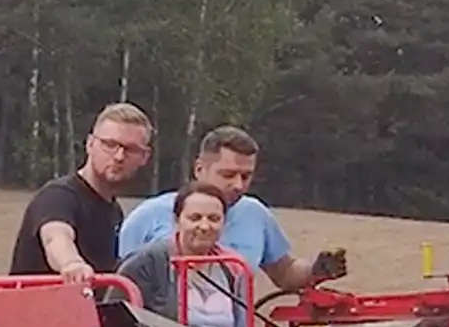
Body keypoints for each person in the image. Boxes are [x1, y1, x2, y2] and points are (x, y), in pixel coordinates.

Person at [115, 124, 348, 294]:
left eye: (246, 176)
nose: (238, 185)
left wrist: (316, 271)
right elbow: (122, 288)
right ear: (199, 169)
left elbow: (284, 272)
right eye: (228, 175)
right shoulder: (147, 218)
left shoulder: (255, 214)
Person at [8, 102, 154, 281]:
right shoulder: (58, 196)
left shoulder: (114, 211)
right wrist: (71, 263)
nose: (119, 156)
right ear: (90, 144)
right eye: (110, 144)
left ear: (144, 157)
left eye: (130, 149)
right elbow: (55, 237)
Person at [121, 187, 251, 327]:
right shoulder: (149, 260)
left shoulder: (234, 266)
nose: (204, 226)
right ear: (177, 220)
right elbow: (116, 318)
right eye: (195, 218)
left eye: (214, 219)